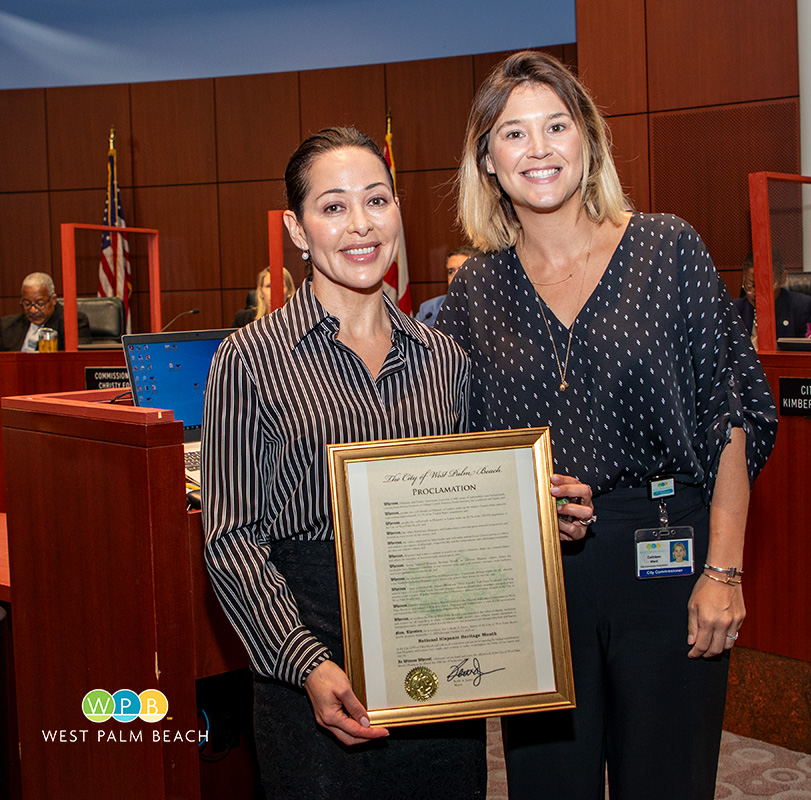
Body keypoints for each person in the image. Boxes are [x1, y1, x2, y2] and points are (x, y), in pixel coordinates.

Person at [207, 127, 588, 799]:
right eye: (332, 206)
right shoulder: (249, 358)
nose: (360, 224)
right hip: (309, 653)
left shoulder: (445, 359)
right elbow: (231, 538)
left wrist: (539, 511)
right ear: (298, 230)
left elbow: (468, 507)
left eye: (376, 200)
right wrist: (307, 665)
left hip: (435, 659)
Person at [436, 51, 778, 800]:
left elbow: (731, 416)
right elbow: (459, 450)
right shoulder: (474, 291)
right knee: (546, 782)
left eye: (556, 125)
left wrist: (722, 569)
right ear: (487, 162)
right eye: (513, 133)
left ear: (587, 138)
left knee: (667, 780)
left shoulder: (668, 248)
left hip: (667, 552)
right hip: (539, 573)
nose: (538, 148)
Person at [732, 250, 811, 346]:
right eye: (751, 286)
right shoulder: (734, 309)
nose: (757, 293)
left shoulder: (802, 307)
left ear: (782, 279)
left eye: (765, 286)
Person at [0, 272, 91, 351]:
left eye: (40, 303)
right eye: (27, 304)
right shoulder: (6, 326)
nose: (33, 310)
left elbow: (77, 361)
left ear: (53, 299)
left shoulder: (73, 322)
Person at [415, 245, 479, 327]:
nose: (455, 276)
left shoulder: (487, 307)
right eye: (451, 271)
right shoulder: (429, 309)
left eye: (462, 270)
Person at [232, 266, 296, 327]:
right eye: (268, 286)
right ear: (261, 292)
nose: (273, 292)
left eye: (279, 286)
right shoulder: (243, 320)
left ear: (289, 291)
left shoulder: (298, 321)